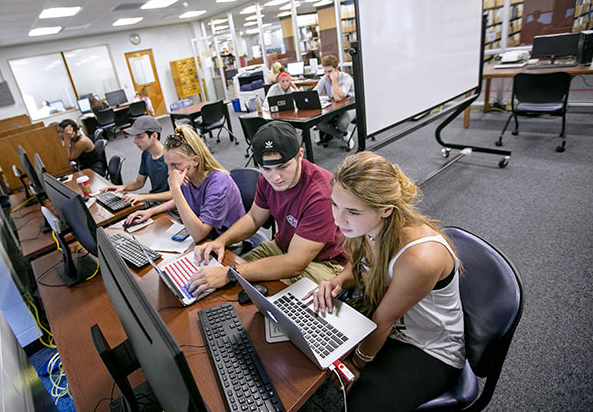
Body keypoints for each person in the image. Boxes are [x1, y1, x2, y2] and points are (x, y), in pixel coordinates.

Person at [305, 151, 465, 411]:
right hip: (383, 327)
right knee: (307, 362)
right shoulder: (367, 226)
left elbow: (383, 320)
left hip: (426, 348)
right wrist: (339, 280)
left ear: (386, 209)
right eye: (334, 204)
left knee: (353, 404)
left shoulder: (419, 257)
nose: (337, 219)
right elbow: (360, 266)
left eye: (352, 212)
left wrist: (356, 365)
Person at [188, 121, 347, 296]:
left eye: (283, 167)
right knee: (227, 281)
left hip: (324, 262)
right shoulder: (266, 180)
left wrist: (230, 274)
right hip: (283, 247)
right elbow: (254, 218)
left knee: (265, 294)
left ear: (300, 155)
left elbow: (295, 263)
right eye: (266, 168)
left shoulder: (321, 194)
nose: (275, 177)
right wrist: (221, 241)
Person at [123, 125, 246, 244]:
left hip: (229, 243)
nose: (170, 172)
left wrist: (175, 188)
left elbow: (199, 234)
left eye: (175, 165)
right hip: (207, 237)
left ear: (195, 161)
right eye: (168, 165)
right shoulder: (188, 175)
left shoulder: (218, 183)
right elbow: (179, 201)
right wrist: (151, 211)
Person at [100, 116, 171, 204]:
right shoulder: (146, 154)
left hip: (169, 205)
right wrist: (122, 187)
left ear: (154, 136)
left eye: (139, 137)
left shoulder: (171, 158)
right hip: (154, 200)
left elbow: (174, 194)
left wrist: (142, 197)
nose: (135, 141)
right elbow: (139, 182)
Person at [315, 54, 356, 149]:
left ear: (336, 69)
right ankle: (344, 135)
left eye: (330, 71)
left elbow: (338, 97)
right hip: (334, 107)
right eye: (325, 71)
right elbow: (315, 92)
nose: (327, 75)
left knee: (341, 124)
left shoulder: (346, 78)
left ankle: (342, 132)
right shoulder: (324, 78)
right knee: (319, 123)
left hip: (350, 106)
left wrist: (334, 80)